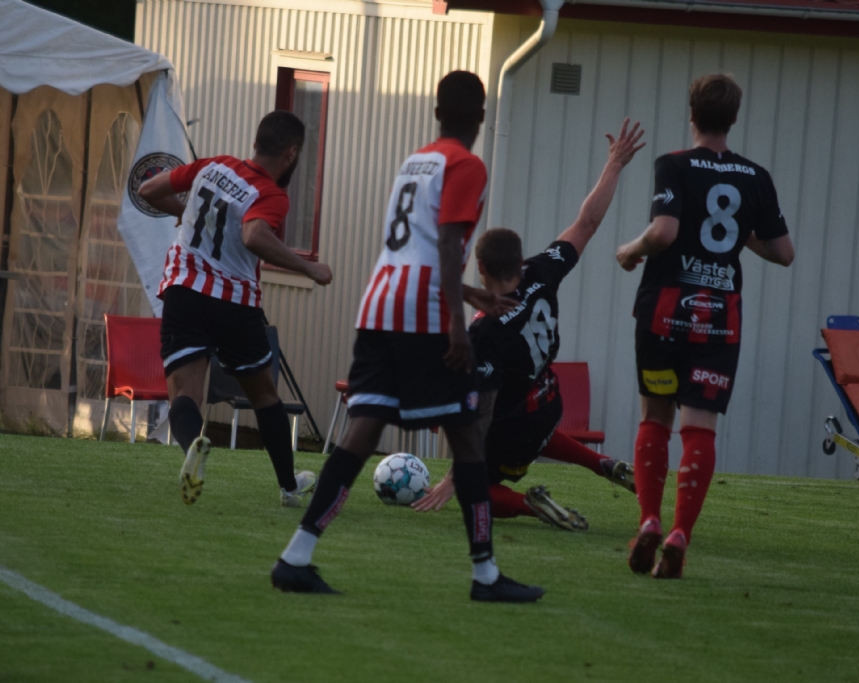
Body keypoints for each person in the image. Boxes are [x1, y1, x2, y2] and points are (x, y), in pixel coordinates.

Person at [270, 71, 543, 602]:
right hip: (423, 314)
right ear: (481, 117)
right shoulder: (467, 165)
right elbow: (445, 242)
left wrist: (471, 294)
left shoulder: (416, 160)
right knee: (467, 435)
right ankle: (486, 576)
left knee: (362, 430)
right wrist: (458, 322)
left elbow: (415, 247)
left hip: (379, 303)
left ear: (437, 113)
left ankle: (295, 556)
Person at [412, 120, 646, 531]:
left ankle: (531, 505)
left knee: (472, 485)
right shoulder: (541, 270)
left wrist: (455, 475)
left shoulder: (485, 332)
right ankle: (604, 464)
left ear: (481, 268)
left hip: (516, 425)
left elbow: (484, 411)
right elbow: (587, 222)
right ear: (520, 260)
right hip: (551, 402)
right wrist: (615, 164)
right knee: (527, 420)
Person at [615, 74, 795, 579]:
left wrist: (629, 250)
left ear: (691, 114)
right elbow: (783, 252)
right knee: (699, 427)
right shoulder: (755, 176)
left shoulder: (673, 164)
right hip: (719, 315)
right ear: (733, 119)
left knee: (656, 417)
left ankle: (650, 519)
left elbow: (664, 232)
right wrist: (740, 235)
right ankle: (679, 535)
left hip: (665, 310)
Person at [139, 111, 333, 509]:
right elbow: (254, 234)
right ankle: (288, 487)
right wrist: (309, 267)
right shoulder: (270, 194)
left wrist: (184, 212)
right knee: (265, 396)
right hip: (234, 303)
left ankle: (193, 449)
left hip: (185, 289)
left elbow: (148, 189)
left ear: (256, 141)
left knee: (185, 395)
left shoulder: (214, 166)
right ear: (291, 153)